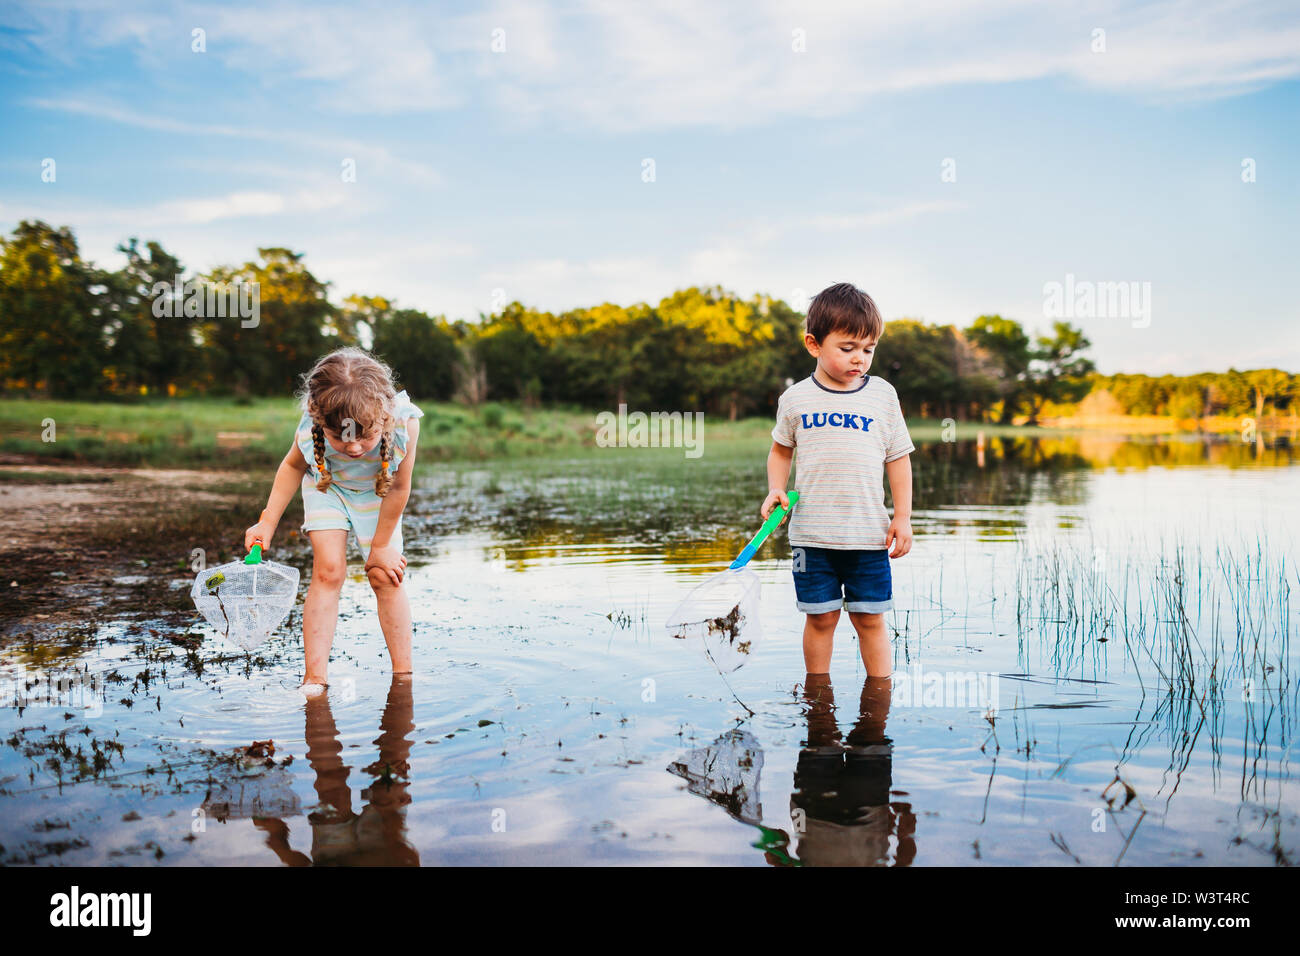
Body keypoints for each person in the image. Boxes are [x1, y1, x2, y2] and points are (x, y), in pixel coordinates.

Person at [244, 347, 423, 694]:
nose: (354, 449)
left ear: (384, 413)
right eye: (340, 437)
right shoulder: (314, 422)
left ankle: (403, 676)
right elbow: (293, 467)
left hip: (381, 492)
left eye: (364, 437)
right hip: (328, 486)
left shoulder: (405, 423)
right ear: (320, 419)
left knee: (385, 576)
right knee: (328, 571)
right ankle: (315, 678)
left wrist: (382, 546)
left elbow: (401, 484)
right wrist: (266, 522)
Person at [760, 282, 914, 677]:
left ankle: (879, 700)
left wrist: (903, 517)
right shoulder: (795, 398)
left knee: (870, 620)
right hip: (811, 538)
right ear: (814, 344)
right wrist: (776, 488)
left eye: (868, 349)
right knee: (820, 619)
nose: (859, 359)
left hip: (868, 536)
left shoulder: (882, 395)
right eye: (847, 349)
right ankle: (817, 697)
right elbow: (780, 450)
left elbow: (898, 458)